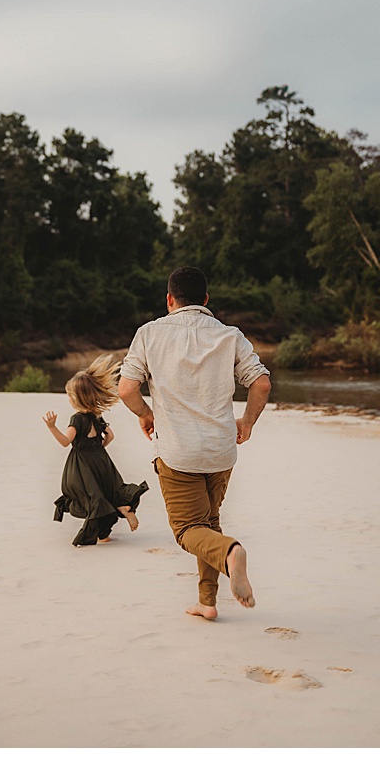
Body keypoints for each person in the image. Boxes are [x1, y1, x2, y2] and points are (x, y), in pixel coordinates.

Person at [118, 266, 271, 620]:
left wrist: (145, 414)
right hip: (220, 450)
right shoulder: (229, 335)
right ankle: (207, 602)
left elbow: (126, 388)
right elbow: (260, 383)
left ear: (169, 300)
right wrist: (247, 422)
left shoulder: (149, 333)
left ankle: (231, 554)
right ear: (205, 300)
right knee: (209, 522)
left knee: (188, 529)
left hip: (177, 452)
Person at [44, 354, 148, 547]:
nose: (69, 399)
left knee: (88, 497)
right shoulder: (96, 417)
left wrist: (52, 427)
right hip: (102, 460)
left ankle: (100, 533)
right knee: (106, 492)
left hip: (82, 465)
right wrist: (97, 451)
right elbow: (110, 436)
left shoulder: (77, 419)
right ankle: (109, 527)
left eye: (70, 395)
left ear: (78, 398)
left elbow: (65, 441)